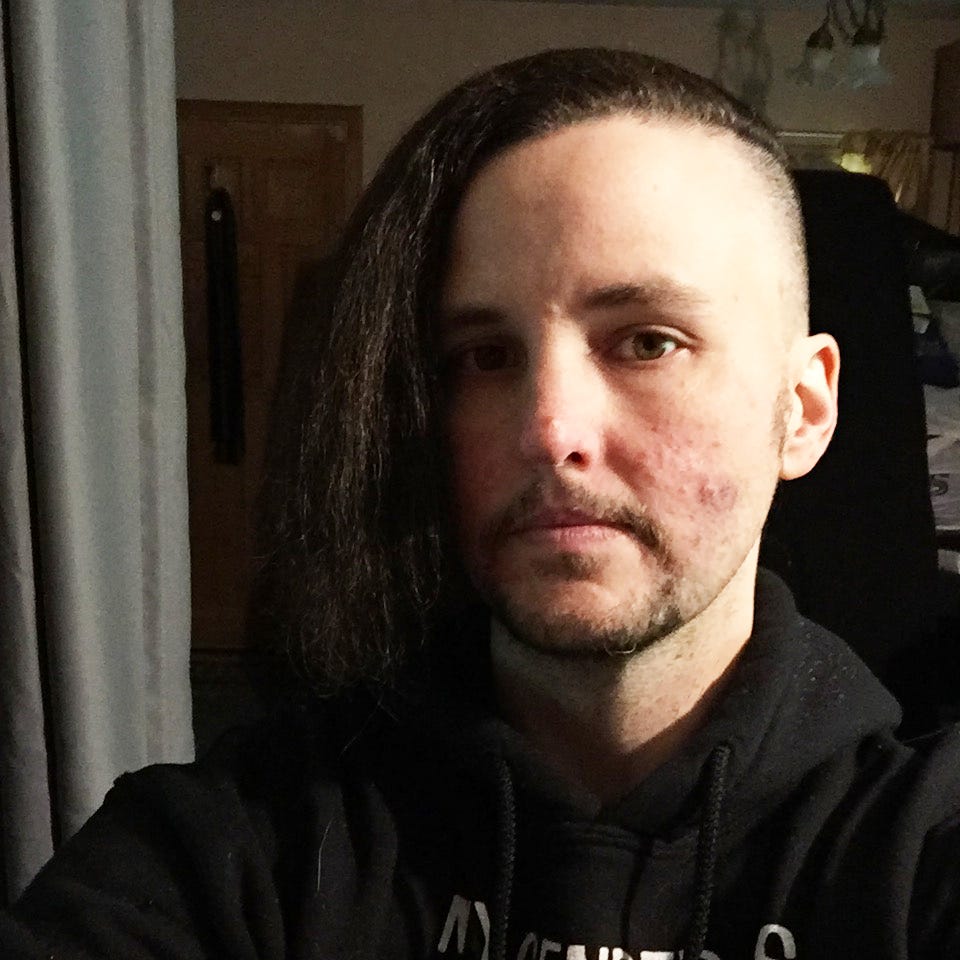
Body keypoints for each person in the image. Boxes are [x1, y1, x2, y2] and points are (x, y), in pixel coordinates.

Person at [4, 46, 960, 960]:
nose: (548, 430)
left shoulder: (918, 853)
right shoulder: (240, 850)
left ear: (803, 408)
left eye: (646, 342)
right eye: (484, 357)